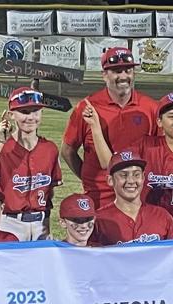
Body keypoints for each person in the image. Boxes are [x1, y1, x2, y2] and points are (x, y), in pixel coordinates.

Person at [84, 93, 173, 236]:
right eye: (171, 116)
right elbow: (108, 163)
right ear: (159, 122)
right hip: (149, 225)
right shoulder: (145, 146)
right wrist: (95, 126)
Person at [61, 47, 159, 209]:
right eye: (116, 71)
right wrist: (89, 179)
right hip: (99, 198)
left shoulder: (150, 107)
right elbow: (67, 150)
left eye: (128, 70)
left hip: (139, 197)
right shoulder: (87, 107)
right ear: (104, 75)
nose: (123, 76)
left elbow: (160, 153)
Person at [0, 87, 62, 241]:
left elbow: (49, 192)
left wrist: (47, 224)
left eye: (35, 111)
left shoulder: (50, 149)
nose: (31, 117)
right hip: (10, 222)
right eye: (24, 112)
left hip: (41, 223)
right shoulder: (2, 147)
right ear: (11, 114)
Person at [90, 151, 173, 246]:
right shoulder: (98, 220)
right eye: (123, 175)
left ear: (143, 177)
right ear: (110, 180)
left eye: (136, 175)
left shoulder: (162, 216)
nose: (131, 181)